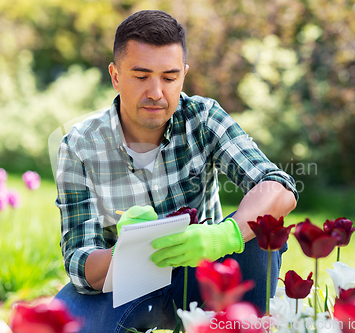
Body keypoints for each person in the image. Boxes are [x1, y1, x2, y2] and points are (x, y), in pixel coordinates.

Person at [54, 9, 298, 332]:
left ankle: (240, 326)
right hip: (125, 286)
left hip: (204, 278)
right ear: (115, 76)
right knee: (61, 324)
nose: (156, 92)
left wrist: (224, 236)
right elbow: (78, 260)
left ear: (183, 75)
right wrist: (126, 250)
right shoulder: (80, 145)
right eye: (141, 77)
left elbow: (278, 187)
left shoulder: (204, 118)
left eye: (169, 78)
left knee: (258, 233)